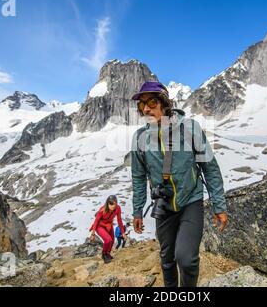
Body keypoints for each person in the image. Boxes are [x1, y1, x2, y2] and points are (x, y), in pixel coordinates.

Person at [131, 81, 228, 287]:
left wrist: (219, 205)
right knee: (167, 260)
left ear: (165, 103)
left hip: (190, 201)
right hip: (163, 205)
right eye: (141, 104)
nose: (146, 108)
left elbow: (209, 167)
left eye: (152, 102)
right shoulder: (139, 137)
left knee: (186, 258)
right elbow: (138, 176)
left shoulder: (190, 128)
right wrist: (137, 210)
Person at [89, 195, 127, 263]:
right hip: (100, 226)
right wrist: (93, 233)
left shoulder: (118, 208)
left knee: (112, 240)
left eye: (114, 203)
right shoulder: (102, 210)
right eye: (111, 204)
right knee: (108, 240)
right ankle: (104, 255)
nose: (113, 206)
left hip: (109, 225)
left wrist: (123, 233)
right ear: (107, 203)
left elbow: (119, 221)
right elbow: (96, 221)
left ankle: (108, 253)